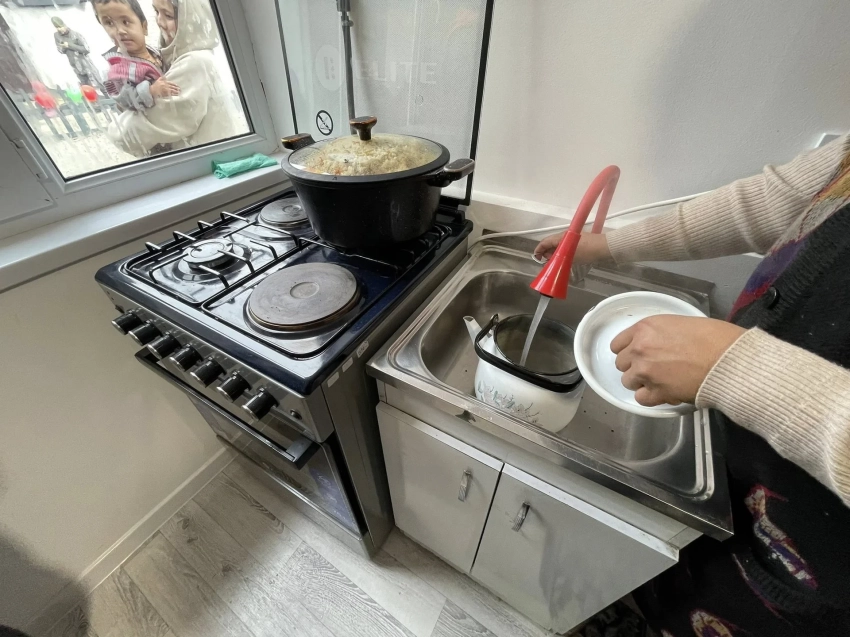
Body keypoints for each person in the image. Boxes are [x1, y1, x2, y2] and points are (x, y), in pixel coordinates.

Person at [535, 135, 850, 636]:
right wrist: (611, 246)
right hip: (750, 467)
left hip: (815, 570)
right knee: (681, 591)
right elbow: (765, 205)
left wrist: (735, 366)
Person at [106, 0, 242, 157]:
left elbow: (136, 134)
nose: (159, 21)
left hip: (206, 164)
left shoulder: (194, 63)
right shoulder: (180, 56)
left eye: (168, 15)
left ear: (189, 18)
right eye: (156, 12)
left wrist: (115, 129)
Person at [92, 0, 180, 112]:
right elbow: (124, 101)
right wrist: (151, 91)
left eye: (125, 22)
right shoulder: (118, 71)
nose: (120, 31)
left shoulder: (155, 52)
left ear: (144, 27)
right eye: (109, 23)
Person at [51, 17, 102, 90]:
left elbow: (86, 49)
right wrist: (63, 47)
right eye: (57, 27)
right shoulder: (56, 35)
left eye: (60, 27)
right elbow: (60, 49)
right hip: (75, 64)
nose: (59, 29)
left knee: (98, 83)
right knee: (86, 87)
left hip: (85, 64)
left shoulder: (76, 34)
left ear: (64, 25)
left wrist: (69, 45)